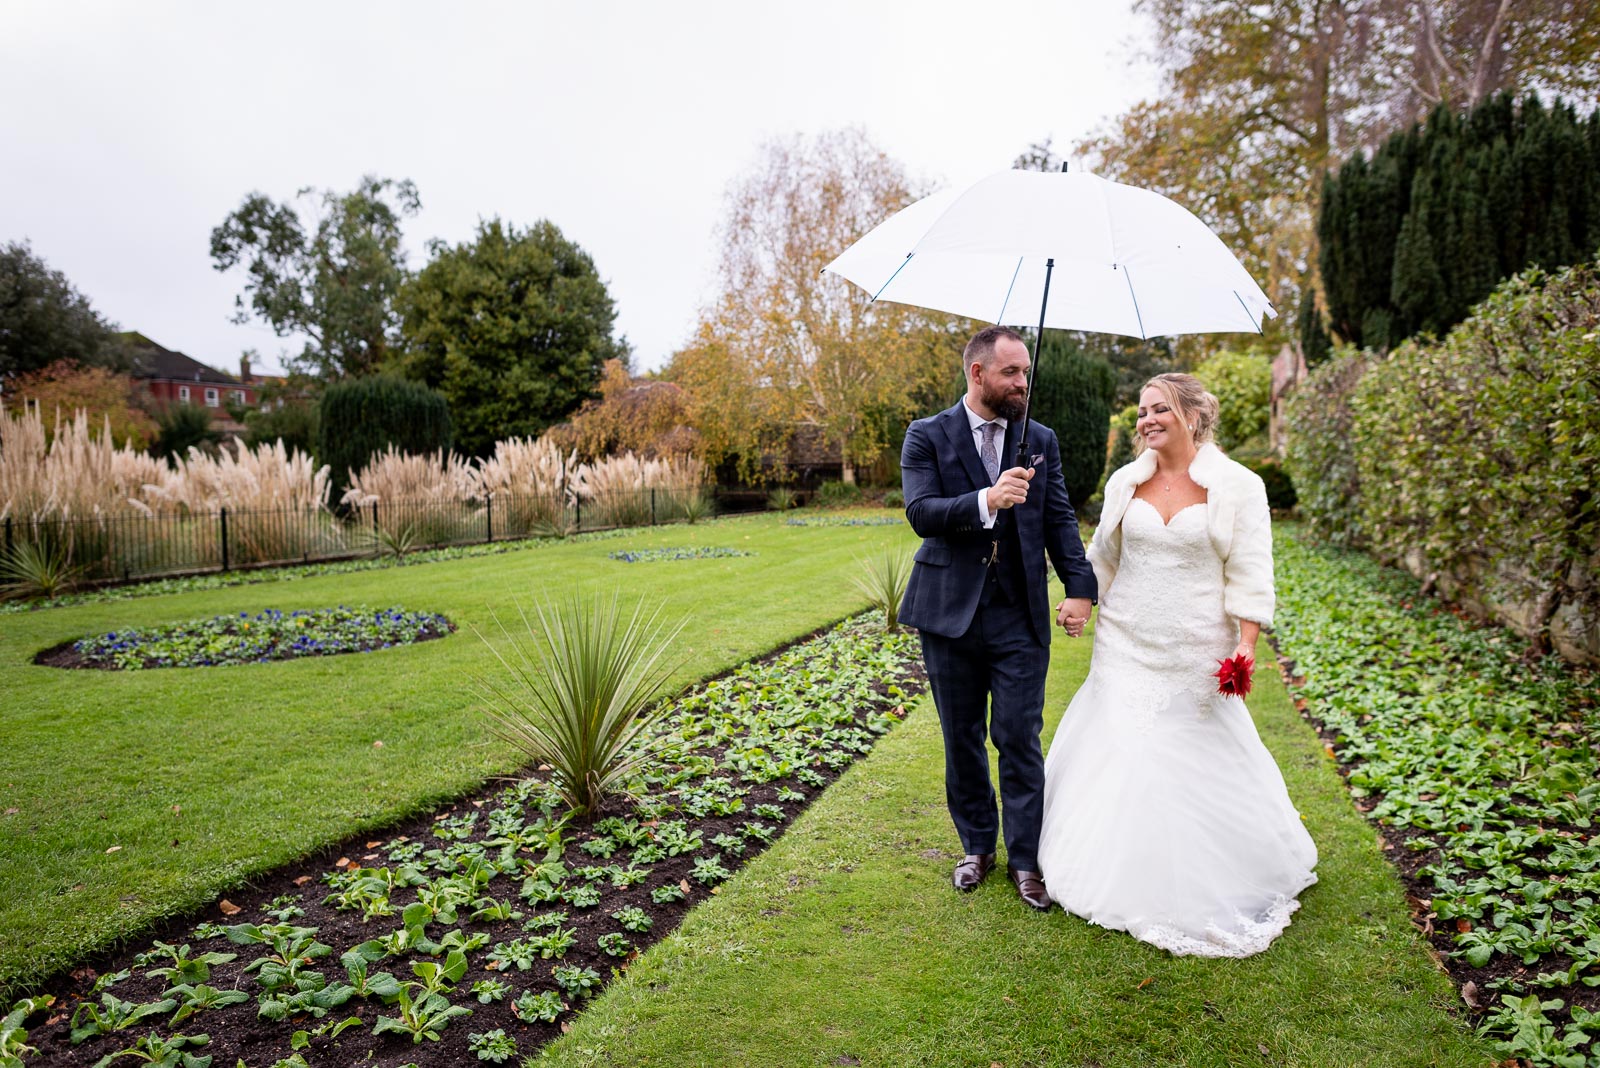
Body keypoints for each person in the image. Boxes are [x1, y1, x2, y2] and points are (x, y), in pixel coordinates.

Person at [1036, 372, 1318, 956]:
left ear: (1193, 415)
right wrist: (1080, 599)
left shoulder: (1239, 486)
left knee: (1192, 756)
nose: (1146, 420)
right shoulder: (1124, 482)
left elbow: (1249, 571)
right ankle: (1111, 867)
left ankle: (1205, 875)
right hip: (1126, 641)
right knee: (1126, 750)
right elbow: (1103, 557)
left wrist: (1245, 646)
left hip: (1195, 644)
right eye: (1141, 411)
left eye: (1159, 408)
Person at [900, 325, 1098, 910]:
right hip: (948, 614)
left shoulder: (1039, 439)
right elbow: (921, 512)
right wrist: (988, 499)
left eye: (1026, 372)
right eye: (1011, 372)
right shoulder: (926, 435)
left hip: (1019, 613)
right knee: (961, 738)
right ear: (977, 373)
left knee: (1018, 736)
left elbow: (1060, 518)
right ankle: (976, 847)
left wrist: (1079, 587)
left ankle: (1027, 860)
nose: (1022, 383)